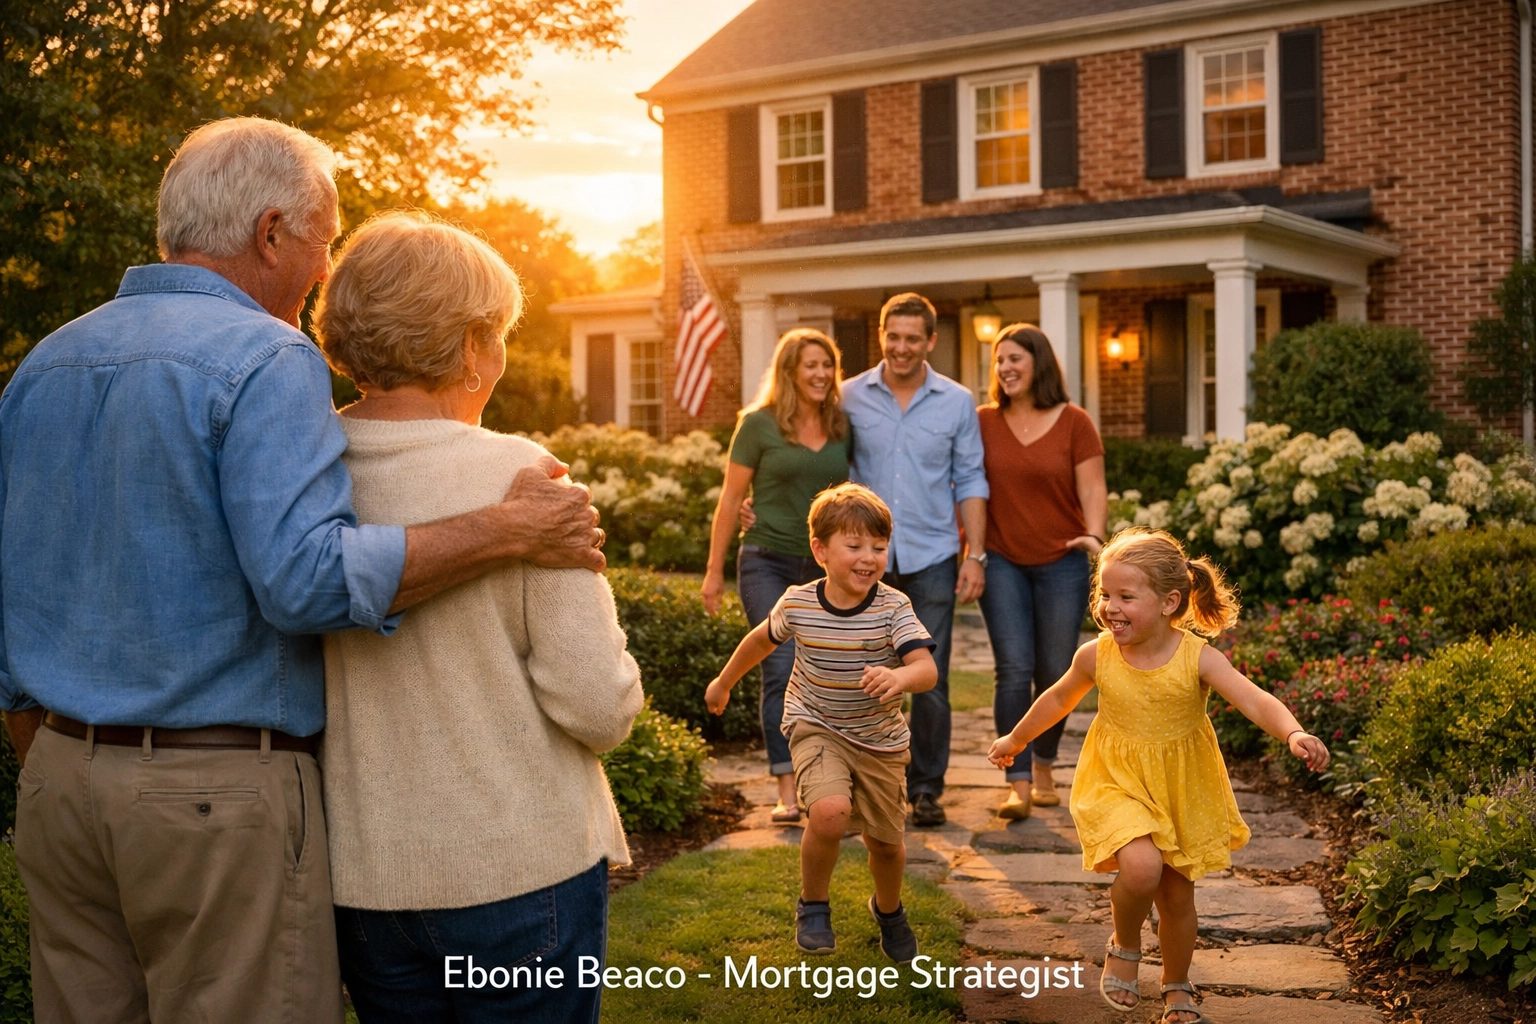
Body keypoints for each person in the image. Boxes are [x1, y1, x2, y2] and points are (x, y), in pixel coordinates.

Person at [0, 118, 602, 1024]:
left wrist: (44, 750)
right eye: (322, 245)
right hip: (209, 799)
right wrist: (504, 527)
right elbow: (306, 583)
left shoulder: (45, 364)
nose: (324, 276)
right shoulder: (265, 358)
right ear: (271, 232)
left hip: (57, 788)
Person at [313, 211, 641, 1024]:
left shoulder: (297, 474)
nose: (498, 355)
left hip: (364, 877)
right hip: (518, 870)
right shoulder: (521, 477)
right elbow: (597, 705)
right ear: (467, 347)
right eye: (497, 334)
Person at [987, 528, 1330, 1023]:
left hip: (1180, 786)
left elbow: (1253, 698)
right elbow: (1058, 698)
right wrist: (1016, 741)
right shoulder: (1097, 655)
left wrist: (1293, 733)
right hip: (1116, 779)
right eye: (1105, 594)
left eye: (1126, 596)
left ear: (1170, 602)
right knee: (1142, 867)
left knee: (1175, 897)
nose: (1110, 607)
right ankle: (1125, 944)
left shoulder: (1197, 658)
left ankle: (1175, 985)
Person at [705, 484, 936, 961]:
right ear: (820, 550)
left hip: (879, 741)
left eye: (878, 547)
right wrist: (724, 682)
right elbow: (760, 641)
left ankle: (889, 911)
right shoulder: (799, 602)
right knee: (828, 813)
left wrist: (899, 676)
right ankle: (813, 904)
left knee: (886, 845)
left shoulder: (893, 607)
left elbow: (926, 670)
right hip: (816, 724)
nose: (869, 558)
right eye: (854, 546)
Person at [843, 292, 988, 827]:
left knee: (930, 675)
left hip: (931, 555)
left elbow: (971, 478)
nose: (901, 348)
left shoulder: (956, 402)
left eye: (912, 338)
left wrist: (976, 554)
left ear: (930, 341)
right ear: (882, 336)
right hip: (863, 558)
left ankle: (926, 788)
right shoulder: (849, 396)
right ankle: (864, 784)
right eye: (893, 336)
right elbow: (819, 458)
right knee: (859, 673)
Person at [701, 328, 849, 822]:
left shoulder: (842, 424)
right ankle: (788, 790)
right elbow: (729, 500)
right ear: (789, 372)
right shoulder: (757, 425)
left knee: (827, 672)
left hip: (824, 568)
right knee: (780, 666)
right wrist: (713, 572)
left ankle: (825, 778)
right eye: (811, 365)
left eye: (827, 365)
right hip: (766, 560)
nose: (821, 374)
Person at [976, 323, 1107, 821]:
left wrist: (1094, 537)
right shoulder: (983, 421)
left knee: (1056, 670)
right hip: (1003, 558)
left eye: (1015, 359)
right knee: (1013, 669)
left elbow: (1093, 488)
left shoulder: (1074, 421)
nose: (1005, 368)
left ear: (1039, 363)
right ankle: (1018, 780)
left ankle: (1046, 764)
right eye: (999, 360)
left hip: (1062, 563)